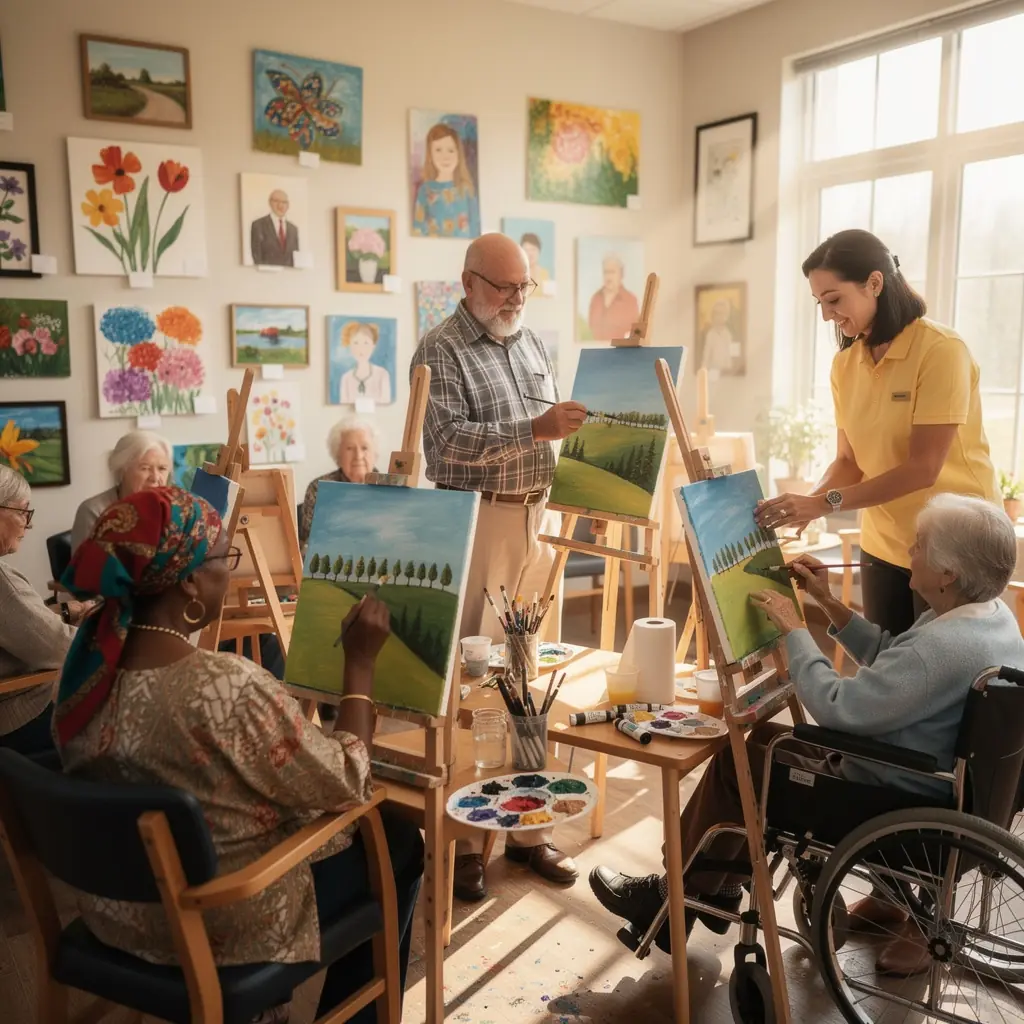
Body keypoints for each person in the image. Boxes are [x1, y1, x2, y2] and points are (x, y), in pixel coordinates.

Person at [591, 493, 1023, 977]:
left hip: (891, 797)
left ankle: (671, 897)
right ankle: (711, 889)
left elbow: (839, 708)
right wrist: (828, 603)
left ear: (949, 573)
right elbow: (894, 661)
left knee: (743, 762)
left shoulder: (940, 649)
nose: (909, 550)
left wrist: (796, 632)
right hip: (946, 791)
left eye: (920, 544)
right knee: (760, 743)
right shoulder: (991, 619)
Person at [57, 487, 424, 1024]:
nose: (231, 572)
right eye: (225, 557)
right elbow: (349, 782)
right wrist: (360, 666)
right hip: (216, 920)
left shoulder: (84, 676)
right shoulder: (224, 687)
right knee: (393, 841)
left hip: (119, 915)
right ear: (187, 581)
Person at [411, 232, 587, 901]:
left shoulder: (532, 342)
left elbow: (549, 432)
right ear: (468, 282)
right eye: (505, 286)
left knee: (527, 681)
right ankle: (459, 847)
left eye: (525, 286)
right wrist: (535, 431)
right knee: (473, 688)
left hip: (532, 521)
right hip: (475, 522)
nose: (517, 298)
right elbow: (445, 449)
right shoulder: (441, 347)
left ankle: (526, 831)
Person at [756, 229, 999, 637]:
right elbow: (850, 461)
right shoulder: (845, 365)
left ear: (874, 283)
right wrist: (804, 505)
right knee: (888, 669)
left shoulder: (941, 350)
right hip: (885, 541)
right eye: (819, 303)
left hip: (955, 546)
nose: (826, 316)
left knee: (943, 679)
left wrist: (824, 504)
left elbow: (922, 468)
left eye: (833, 300)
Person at [0, 466, 95, 756]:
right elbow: (61, 648)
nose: (27, 525)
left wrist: (68, 612)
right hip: (17, 716)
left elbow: (18, 625)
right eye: (22, 512)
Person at [71, 429, 171, 552]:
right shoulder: (95, 510)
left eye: (162, 469)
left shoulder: (176, 511)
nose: (155, 478)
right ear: (122, 470)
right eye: (145, 468)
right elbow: (86, 568)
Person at [299, 416, 379, 551]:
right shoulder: (320, 488)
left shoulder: (392, 488)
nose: (358, 456)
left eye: (364, 448)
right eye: (349, 448)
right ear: (337, 454)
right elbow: (311, 545)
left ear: (374, 453)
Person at [412, 123, 478, 239]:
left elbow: (475, 226)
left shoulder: (466, 189)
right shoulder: (425, 190)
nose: (445, 157)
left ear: (459, 154)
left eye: (451, 150)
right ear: (430, 155)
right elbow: (418, 227)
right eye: (438, 150)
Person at [335, 321, 392, 405]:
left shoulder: (382, 374)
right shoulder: (346, 378)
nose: (361, 348)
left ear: (373, 346)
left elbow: (386, 403)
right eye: (356, 343)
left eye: (366, 343)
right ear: (349, 345)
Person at [587, 254, 640, 341]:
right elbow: (590, 330)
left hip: (620, 352)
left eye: (612, 272)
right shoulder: (595, 299)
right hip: (597, 352)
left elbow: (635, 335)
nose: (608, 277)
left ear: (621, 275)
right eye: (606, 272)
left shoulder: (630, 300)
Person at [251, 189, 299, 267]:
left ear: (288, 205)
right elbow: (257, 256)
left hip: (289, 277)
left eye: (284, 202)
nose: (280, 205)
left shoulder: (293, 229)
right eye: (276, 201)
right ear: (270, 203)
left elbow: (295, 258)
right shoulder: (258, 225)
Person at [699, 297, 736, 373]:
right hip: (712, 373)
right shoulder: (710, 335)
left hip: (726, 373)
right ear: (713, 315)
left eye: (722, 313)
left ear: (726, 315)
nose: (719, 316)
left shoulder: (728, 335)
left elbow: (730, 358)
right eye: (717, 313)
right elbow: (706, 357)